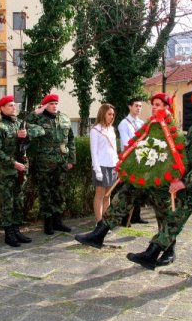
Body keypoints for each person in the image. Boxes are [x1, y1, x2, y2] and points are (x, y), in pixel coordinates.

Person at [126, 90, 192, 276]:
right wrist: (177, 174)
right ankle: (153, 252)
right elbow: (185, 157)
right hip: (191, 187)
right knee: (173, 219)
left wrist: (184, 182)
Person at [74, 93, 179, 267]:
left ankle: (168, 250)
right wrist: (126, 165)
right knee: (122, 197)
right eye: (153, 104)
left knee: (165, 214)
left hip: (160, 178)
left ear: (167, 107)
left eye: (158, 104)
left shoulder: (168, 126)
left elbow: (174, 152)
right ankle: (99, 234)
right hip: (143, 175)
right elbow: (137, 145)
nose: (154, 107)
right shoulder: (151, 124)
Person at [0, 95, 44, 247]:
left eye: (14, 105)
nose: (14, 108)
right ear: (1, 108)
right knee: (8, 203)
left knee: (18, 202)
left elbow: (41, 130)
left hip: (21, 171)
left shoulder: (21, 123)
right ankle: (9, 234)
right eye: (10, 106)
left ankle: (17, 230)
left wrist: (27, 134)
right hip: (7, 172)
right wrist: (13, 163)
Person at [27, 94, 76, 235]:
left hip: (62, 161)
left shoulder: (65, 118)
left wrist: (71, 159)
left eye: (56, 103)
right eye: (51, 103)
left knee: (59, 192)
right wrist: (35, 112)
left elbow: (71, 140)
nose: (54, 106)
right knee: (45, 193)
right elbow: (23, 123)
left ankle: (58, 222)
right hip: (45, 163)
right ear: (45, 106)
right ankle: (48, 224)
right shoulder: (39, 119)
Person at [117, 97, 148, 225]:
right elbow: (126, 144)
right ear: (130, 107)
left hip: (140, 159)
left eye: (140, 106)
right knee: (128, 190)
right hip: (129, 160)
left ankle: (136, 216)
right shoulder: (123, 124)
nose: (138, 108)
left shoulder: (141, 123)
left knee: (139, 189)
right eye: (136, 105)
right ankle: (124, 218)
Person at [90, 104, 118, 222]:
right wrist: (97, 170)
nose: (112, 116)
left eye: (113, 114)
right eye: (109, 114)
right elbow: (94, 151)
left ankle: (105, 223)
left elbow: (114, 149)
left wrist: (117, 165)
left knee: (108, 196)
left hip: (112, 165)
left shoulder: (111, 129)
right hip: (101, 166)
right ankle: (98, 222)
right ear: (103, 114)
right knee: (100, 196)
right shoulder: (95, 130)